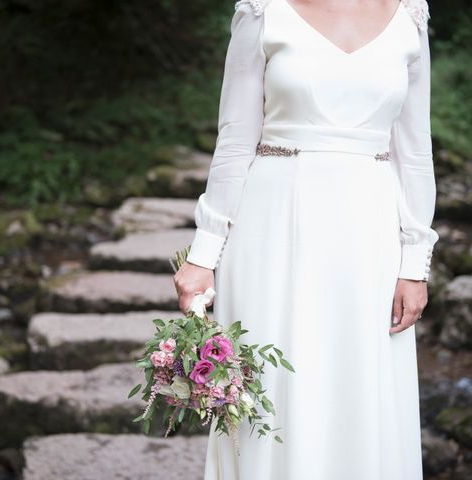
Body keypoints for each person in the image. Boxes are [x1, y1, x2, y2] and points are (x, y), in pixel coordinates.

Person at [173, 0, 438, 477]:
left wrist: (414, 263)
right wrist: (204, 253)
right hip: (272, 228)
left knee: (361, 387)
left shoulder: (409, 16)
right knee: (273, 390)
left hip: (370, 233)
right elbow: (235, 139)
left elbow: (415, 150)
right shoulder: (262, 10)